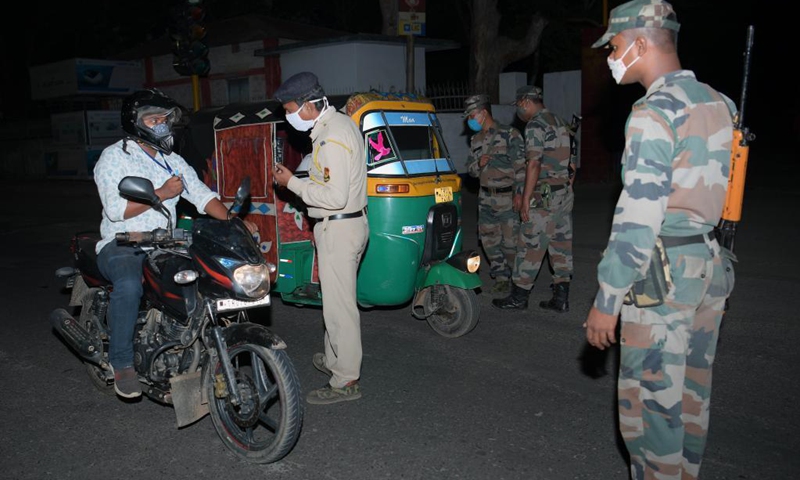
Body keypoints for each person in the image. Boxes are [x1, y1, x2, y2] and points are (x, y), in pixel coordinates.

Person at [583, 1, 736, 478]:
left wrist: (607, 298)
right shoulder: (719, 102)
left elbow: (640, 215)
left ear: (642, 43)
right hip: (708, 263)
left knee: (651, 415)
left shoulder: (653, 111)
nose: (611, 56)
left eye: (615, 45)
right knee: (690, 401)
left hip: (662, 274)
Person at [94, 88, 255, 399]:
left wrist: (232, 220)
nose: (162, 125)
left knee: (205, 279)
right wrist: (162, 194)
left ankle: (188, 345)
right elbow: (116, 210)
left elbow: (202, 196)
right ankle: (122, 362)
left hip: (165, 243)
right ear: (136, 122)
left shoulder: (173, 160)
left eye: (165, 119)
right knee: (128, 285)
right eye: (154, 119)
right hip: (124, 243)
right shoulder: (114, 157)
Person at [272, 72, 369, 405]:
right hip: (341, 226)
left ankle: (346, 380)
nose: (288, 117)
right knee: (334, 301)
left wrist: (292, 184)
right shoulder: (335, 127)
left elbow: (335, 196)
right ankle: (334, 360)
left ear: (308, 107)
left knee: (340, 307)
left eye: (289, 110)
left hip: (340, 225)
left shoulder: (331, 137)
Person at [492, 86, 572, 311]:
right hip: (563, 193)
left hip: (544, 195)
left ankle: (519, 296)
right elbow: (571, 162)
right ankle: (561, 297)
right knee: (560, 245)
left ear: (526, 101)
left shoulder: (536, 125)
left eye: (518, 105)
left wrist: (526, 198)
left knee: (529, 244)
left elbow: (534, 163)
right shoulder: (560, 122)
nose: (518, 110)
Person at [464, 94, 525, 295]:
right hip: (485, 198)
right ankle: (501, 277)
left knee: (510, 242)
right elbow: (471, 170)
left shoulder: (510, 134)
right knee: (489, 240)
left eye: (472, 115)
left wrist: (519, 195)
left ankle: (518, 278)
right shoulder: (476, 139)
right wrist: (478, 164)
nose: (469, 120)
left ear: (483, 112)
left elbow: (521, 168)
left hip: (507, 197)